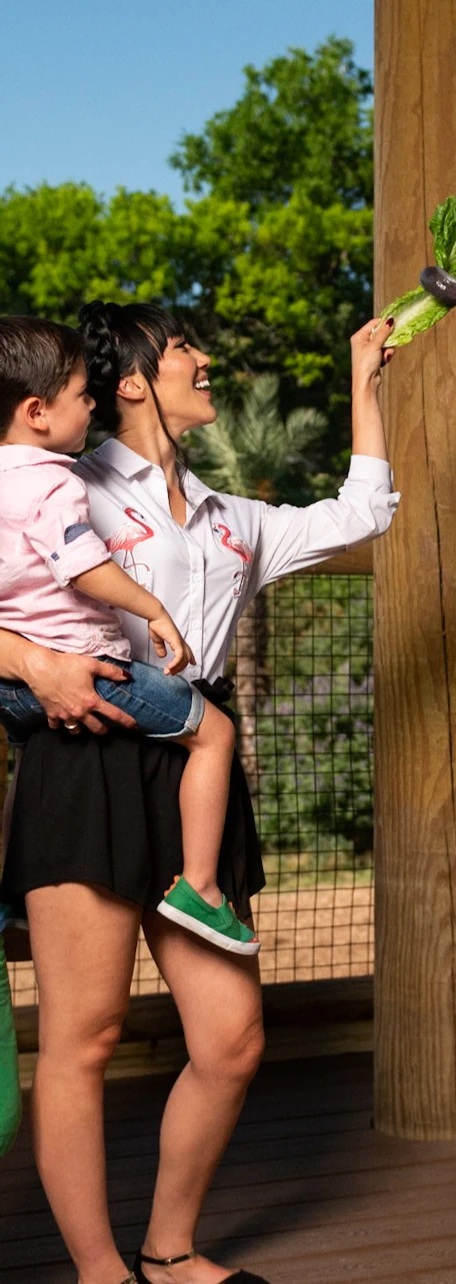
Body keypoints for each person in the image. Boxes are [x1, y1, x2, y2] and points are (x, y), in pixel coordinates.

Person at [0, 301, 399, 1284]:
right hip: (84, 748)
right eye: (183, 348)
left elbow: (366, 517)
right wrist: (27, 662)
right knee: (83, 1038)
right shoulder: (56, 477)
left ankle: (171, 1251)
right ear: (131, 380)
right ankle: (100, 1274)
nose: (205, 360)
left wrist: (364, 376)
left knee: (230, 1040)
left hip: (198, 761)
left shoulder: (237, 521)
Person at [0, 317, 254, 954]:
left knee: (25, 763)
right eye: (85, 395)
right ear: (36, 411)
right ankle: (200, 886)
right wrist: (154, 610)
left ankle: (11, 901)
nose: (96, 403)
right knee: (215, 732)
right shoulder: (57, 480)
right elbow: (84, 567)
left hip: (16, 696)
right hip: (93, 673)